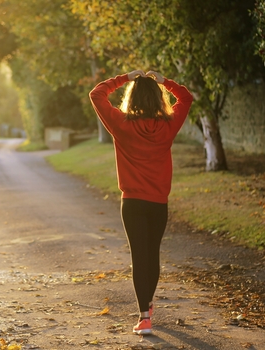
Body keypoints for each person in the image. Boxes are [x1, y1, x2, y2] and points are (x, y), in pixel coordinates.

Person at [89, 70, 193, 335]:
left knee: (139, 256)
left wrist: (125, 77)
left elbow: (96, 94)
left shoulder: (121, 124)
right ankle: (147, 306)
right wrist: (165, 82)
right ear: (158, 99)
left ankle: (144, 317)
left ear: (131, 98)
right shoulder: (169, 125)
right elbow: (186, 97)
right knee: (152, 254)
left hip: (132, 203)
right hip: (158, 203)